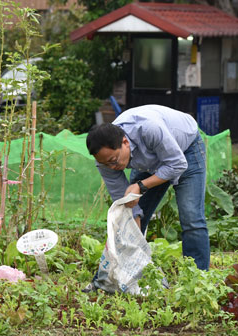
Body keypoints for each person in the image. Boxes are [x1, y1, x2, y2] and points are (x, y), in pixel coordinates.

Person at [86, 104, 209, 271]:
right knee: (129, 218)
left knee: (191, 217)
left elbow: (177, 164)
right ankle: (124, 273)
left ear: (125, 142)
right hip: (149, 161)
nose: (111, 167)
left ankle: (198, 276)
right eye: (105, 163)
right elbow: (128, 205)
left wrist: (141, 185)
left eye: (114, 161)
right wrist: (135, 245)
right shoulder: (105, 162)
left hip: (185, 151)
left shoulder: (148, 128)